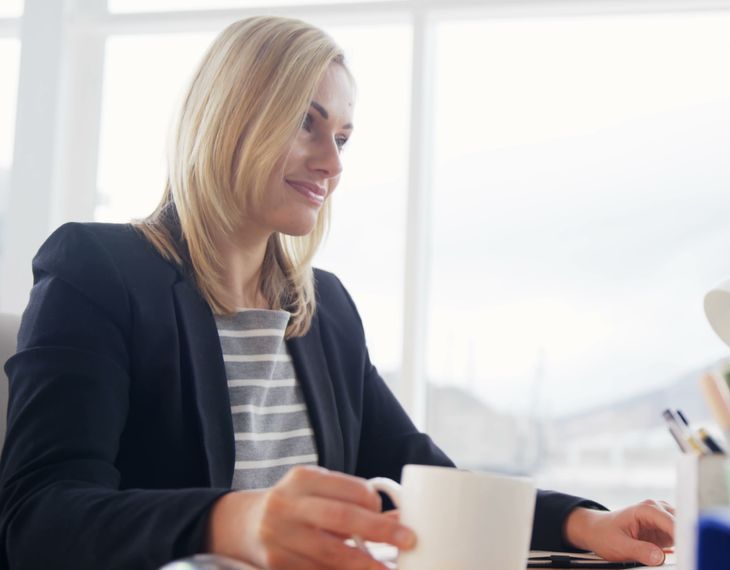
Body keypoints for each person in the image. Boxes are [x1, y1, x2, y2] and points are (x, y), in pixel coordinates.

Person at [0, 16, 674, 570]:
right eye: (307, 123)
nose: (333, 162)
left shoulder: (322, 309)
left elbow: (415, 476)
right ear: (232, 117)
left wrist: (583, 522)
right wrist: (235, 520)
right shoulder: (98, 270)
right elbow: (38, 515)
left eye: (344, 137)